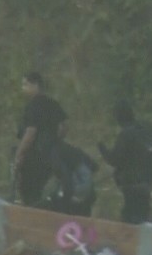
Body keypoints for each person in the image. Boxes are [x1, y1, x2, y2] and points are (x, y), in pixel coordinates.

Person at [98, 100, 152, 224]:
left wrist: (102, 149)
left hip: (131, 183)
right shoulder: (146, 128)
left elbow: (114, 159)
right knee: (143, 214)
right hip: (147, 180)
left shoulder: (126, 134)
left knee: (131, 218)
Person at [13, 72, 67, 207]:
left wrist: (19, 153)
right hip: (50, 156)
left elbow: (30, 132)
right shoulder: (53, 104)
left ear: (36, 85)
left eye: (25, 84)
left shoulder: (32, 106)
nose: (23, 88)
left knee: (28, 193)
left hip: (33, 156)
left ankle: (30, 215)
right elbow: (63, 128)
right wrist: (55, 142)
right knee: (42, 191)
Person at [42, 141, 98, 216]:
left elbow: (66, 180)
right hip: (86, 192)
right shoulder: (73, 150)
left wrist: (63, 197)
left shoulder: (55, 154)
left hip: (76, 191)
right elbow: (95, 167)